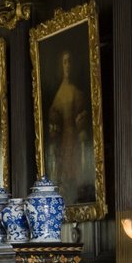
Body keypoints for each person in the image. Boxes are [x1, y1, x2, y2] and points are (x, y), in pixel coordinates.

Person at [45, 50, 89, 198]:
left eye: (70, 61)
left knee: (75, 172)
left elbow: (81, 121)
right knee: (63, 172)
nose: (68, 65)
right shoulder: (59, 95)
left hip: (74, 140)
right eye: (65, 62)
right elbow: (54, 123)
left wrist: (81, 132)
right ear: (61, 66)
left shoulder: (77, 93)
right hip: (64, 141)